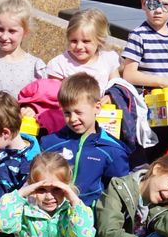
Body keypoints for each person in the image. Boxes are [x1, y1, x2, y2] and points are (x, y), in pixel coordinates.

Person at [38, 74, 130, 208]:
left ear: (97, 108)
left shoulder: (113, 149)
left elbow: (120, 193)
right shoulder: (49, 144)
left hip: (90, 220)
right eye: (67, 113)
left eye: (78, 112)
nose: (73, 119)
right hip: (53, 219)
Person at [0, 0, 47, 98]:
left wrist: (31, 109)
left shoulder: (36, 67)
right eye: (0, 29)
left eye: (12, 31)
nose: (4, 36)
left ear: (26, 32)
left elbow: (42, 102)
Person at [45, 9, 120, 89]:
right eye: (74, 41)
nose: (79, 46)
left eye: (85, 41)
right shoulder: (59, 65)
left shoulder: (108, 59)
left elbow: (117, 87)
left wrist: (110, 96)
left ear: (100, 40)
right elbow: (53, 95)